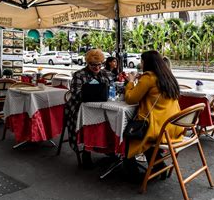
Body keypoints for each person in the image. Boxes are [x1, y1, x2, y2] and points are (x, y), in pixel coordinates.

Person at [124, 50, 183, 182]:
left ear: (146, 63)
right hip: (174, 126)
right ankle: (158, 166)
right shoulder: (168, 77)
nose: (141, 63)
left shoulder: (149, 77)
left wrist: (131, 82)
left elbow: (130, 98)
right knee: (142, 133)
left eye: (142, 61)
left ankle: (133, 173)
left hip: (159, 129)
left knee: (130, 133)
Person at [66, 49, 114, 168]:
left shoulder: (106, 74)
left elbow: (114, 90)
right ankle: (86, 153)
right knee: (90, 123)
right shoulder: (79, 74)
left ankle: (109, 148)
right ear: (87, 63)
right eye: (93, 65)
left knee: (112, 118)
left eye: (99, 65)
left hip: (101, 107)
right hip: (81, 108)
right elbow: (75, 93)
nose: (97, 67)